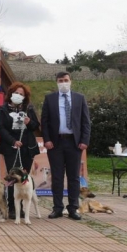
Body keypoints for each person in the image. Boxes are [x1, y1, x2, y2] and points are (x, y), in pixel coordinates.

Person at [41, 71, 91, 220]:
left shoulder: (79, 98)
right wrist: (47, 139)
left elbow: (85, 122)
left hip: (74, 142)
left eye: (66, 80)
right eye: (60, 80)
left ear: (71, 81)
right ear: (57, 82)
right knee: (56, 177)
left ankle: (73, 208)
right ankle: (57, 207)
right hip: (55, 143)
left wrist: (84, 140)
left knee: (74, 177)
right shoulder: (49, 99)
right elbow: (45, 121)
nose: (63, 82)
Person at [0, 82, 40, 220]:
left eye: (21, 94)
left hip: (27, 148)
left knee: (24, 178)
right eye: (16, 93)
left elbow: (35, 126)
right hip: (11, 147)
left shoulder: (29, 108)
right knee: (12, 178)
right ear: (10, 94)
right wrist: (13, 141)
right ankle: (12, 208)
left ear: (25, 97)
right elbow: (1, 128)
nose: (18, 96)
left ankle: (23, 208)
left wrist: (29, 122)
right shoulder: (3, 109)